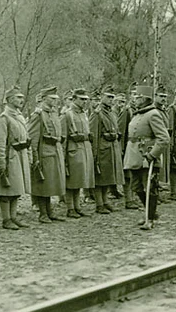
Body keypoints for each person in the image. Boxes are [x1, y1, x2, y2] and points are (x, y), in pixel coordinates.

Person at [123, 84, 170, 230]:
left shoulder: (153, 114)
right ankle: (150, 212)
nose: (135, 100)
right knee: (136, 187)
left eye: (138, 97)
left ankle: (149, 218)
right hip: (134, 157)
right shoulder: (137, 114)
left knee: (150, 188)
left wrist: (151, 155)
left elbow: (164, 138)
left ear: (144, 99)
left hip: (147, 158)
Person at [0, 86, 31, 229]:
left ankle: (13, 217)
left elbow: (26, 138)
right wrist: (1, 165)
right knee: (6, 190)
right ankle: (6, 219)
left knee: (16, 189)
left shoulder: (19, 116)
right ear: (9, 100)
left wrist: (29, 156)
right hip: (10, 157)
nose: (21, 100)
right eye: (18, 97)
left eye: (21, 97)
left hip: (20, 155)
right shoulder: (4, 118)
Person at [28, 86, 67, 223]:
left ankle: (49, 211)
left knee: (51, 183)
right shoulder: (38, 115)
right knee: (42, 183)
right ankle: (43, 213)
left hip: (55, 150)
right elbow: (33, 138)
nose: (55, 101)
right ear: (44, 99)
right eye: (52, 98)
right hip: (44, 152)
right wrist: (34, 157)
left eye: (56, 98)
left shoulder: (53, 113)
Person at [89, 87, 124, 214]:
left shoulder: (111, 113)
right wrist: (95, 154)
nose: (110, 100)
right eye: (108, 97)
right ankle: (99, 204)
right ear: (102, 97)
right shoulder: (97, 114)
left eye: (112, 97)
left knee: (108, 177)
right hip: (102, 149)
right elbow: (94, 135)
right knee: (100, 178)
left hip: (112, 148)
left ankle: (105, 201)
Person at [61, 88, 95, 218]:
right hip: (73, 150)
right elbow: (64, 137)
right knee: (72, 182)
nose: (84, 102)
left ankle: (77, 207)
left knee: (80, 179)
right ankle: (70, 208)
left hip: (85, 149)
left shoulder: (83, 114)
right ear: (74, 99)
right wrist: (64, 158)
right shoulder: (68, 114)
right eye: (81, 99)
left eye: (86, 99)